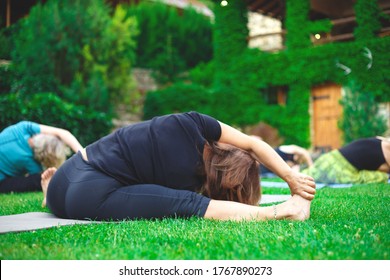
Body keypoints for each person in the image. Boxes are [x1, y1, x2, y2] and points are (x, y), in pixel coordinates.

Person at [44, 112, 315, 222]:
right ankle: (284, 211)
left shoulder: (192, 123)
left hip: (66, 178)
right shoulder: (187, 181)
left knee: (132, 179)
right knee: (186, 204)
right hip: (89, 197)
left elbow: (251, 144)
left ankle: (47, 194)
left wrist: (290, 176)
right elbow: (209, 209)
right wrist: (281, 208)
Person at [0, 121, 83, 206]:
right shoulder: (29, 161)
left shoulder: (23, 128)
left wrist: (82, 153)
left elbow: (62, 133)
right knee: (40, 179)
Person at [301, 136, 390, 184]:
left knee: (308, 174)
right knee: (307, 176)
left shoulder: (383, 141)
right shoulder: (386, 146)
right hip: (336, 165)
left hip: (331, 159)